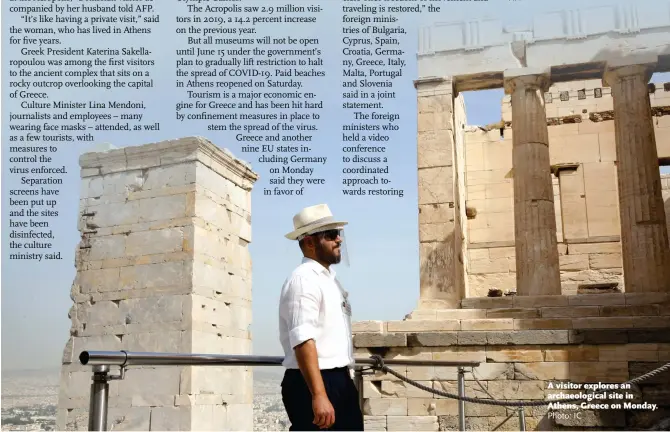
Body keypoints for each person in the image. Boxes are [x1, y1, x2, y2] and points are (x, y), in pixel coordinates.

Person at [278, 204, 364, 431]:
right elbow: (303, 338)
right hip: (316, 383)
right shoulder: (303, 280)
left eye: (339, 233)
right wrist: (319, 394)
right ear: (309, 242)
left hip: (337, 380)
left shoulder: (328, 279)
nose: (339, 240)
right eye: (331, 235)